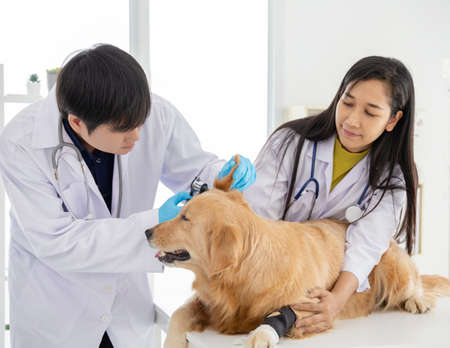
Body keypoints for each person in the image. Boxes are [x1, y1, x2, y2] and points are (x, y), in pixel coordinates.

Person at [0, 44, 255, 348]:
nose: (136, 136)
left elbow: (195, 171)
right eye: (123, 130)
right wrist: (154, 225)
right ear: (77, 123)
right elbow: (57, 242)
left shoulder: (153, 114)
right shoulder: (21, 143)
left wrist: (221, 174)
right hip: (58, 310)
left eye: (139, 124)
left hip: (126, 309)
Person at [243, 56, 417, 340]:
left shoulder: (391, 179)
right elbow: (258, 221)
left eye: (370, 112)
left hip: (326, 283)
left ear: (393, 119)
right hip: (271, 273)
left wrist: (335, 302)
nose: (351, 120)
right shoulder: (289, 143)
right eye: (347, 102)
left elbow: (366, 247)